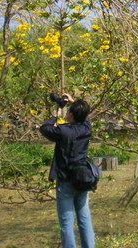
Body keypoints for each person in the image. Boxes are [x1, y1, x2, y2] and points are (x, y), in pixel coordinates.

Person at [40, 94, 95, 248]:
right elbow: (85, 116)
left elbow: (45, 128)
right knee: (84, 219)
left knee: (66, 223)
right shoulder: (86, 128)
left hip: (65, 182)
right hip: (83, 179)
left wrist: (57, 109)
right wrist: (74, 103)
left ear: (70, 114)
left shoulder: (63, 131)